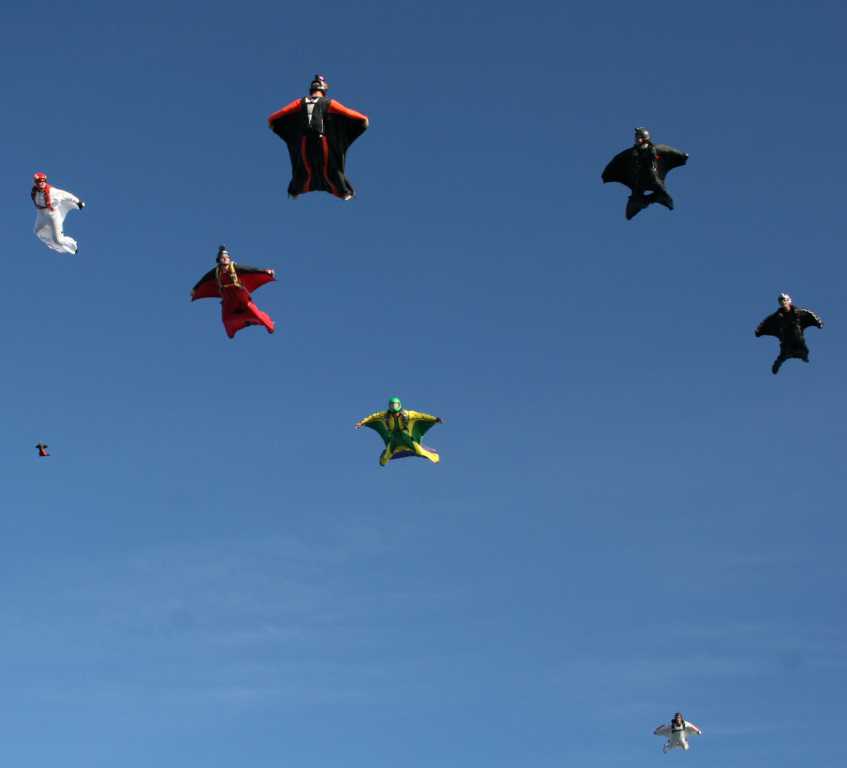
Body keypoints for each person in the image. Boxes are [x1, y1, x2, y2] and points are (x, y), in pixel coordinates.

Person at [268, 74, 369, 199]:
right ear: (324, 89)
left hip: (305, 144)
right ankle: (343, 191)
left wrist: (272, 123)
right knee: (332, 169)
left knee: (303, 168)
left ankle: (295, 190)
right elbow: (347, 112)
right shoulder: (328, 102)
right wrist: (363, 119)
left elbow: (281, 113)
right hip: (323, 143)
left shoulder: (300, 102)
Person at [601, 128, 688, 219]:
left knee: (660, 190)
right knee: (635, 198)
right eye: (636, 138)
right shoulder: (631, 153)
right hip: (638, 181)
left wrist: (682, 155)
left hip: (653, 178)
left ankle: (658, 197)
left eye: (639, 137)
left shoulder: (655, 149)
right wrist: (607, 173)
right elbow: (617, 159)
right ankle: (640, 202)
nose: (637, 140)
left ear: (645, 138)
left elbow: (668, 149)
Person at [191, 246, 276, 338]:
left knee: (254, 313)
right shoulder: (216, 271)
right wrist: (195, 289)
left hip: (239, 295)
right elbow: (204, 279)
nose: (225, 259)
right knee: (226, 319)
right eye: (223, 258)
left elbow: (250, 269)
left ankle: (269, 324)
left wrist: (265, 271)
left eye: (227, 257)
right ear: (219, 260)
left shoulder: (234, 267)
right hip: (228, 297)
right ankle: (232, 331)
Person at [355, 397, 443, 466]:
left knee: (419, 451)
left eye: (395, 405)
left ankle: (434, 457)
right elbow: (373, 417)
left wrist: (434, 419)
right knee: (387, 455)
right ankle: (382, 462)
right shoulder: (385, 415)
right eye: (392, 405)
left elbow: (422, 416)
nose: (394, 407)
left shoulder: (408, 414)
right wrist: (361, 423)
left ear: (399, 405)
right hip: (394, 437)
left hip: (405, 435)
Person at [755, 293, 823, 374]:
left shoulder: (799, 313)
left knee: (802, 349)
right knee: (785, 352)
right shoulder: (776, 317)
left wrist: (818, 323)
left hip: (797, 338)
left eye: (784, 300)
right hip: (786, 339)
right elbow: (765, 323)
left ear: (789, 301)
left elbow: (813, 316)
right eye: (781, 301)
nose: (783, 302)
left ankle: (802, 355)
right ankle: (781, 360)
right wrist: (759, 331)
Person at [31, 172, 85, 254]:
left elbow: (66, 195)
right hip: (41, 215)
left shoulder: (52, 191)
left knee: (58, 240)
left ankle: (73, 245)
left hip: (53, 215)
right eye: (39, 181)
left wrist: (78, 202)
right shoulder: (34, 192)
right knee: (37, 231)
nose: (41, 183)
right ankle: (52, 242)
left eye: (43, 181)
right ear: (35, 183)